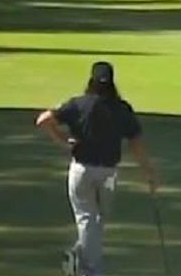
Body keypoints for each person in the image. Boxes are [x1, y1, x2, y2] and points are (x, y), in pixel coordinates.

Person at [35, 61, 158, 276]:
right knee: (95, 220)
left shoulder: (78, 104)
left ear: (91, 80)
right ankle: (90, 269)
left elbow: (43, 120)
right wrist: (147, 171)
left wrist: (62, 140)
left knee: (89, 219)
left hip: (81, 170)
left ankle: (79, 260)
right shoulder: (122, 109)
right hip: (109, 173)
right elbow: (135, 141)